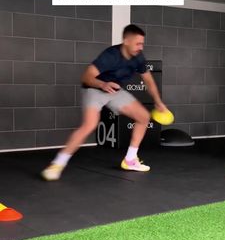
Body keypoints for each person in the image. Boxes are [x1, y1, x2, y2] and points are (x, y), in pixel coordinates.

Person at [41, 24, 168, 181]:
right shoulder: (110, 55)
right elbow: (86, 77)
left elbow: (149, 81)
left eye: (142, 43)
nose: (140, 47)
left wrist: (158, 102)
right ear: (126, 41)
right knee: (89, 125)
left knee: (143, 117)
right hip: (94, 89)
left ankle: (130, 160)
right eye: (137, 43)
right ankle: (57, 164)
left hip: (114, 91)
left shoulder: (139, 57)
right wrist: (103, 84)